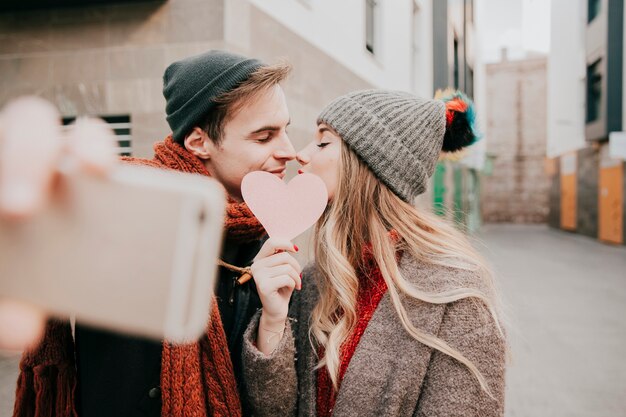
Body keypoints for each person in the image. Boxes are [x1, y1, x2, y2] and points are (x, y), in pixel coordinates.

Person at [11, 50, 298, 417]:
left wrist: (273, 322)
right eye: (264, 137)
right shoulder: (119, 207)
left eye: (286, 130)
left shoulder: (261, 236)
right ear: (198, 142)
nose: (288, 151)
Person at [242, 89, 507, 416]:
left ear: (370, 165)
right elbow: (276, 411)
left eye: (323, 142)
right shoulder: (312, 280)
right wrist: (273, 322)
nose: (301, 154)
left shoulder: (454, 294)